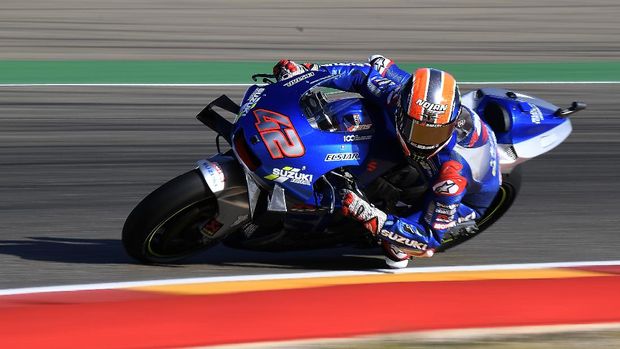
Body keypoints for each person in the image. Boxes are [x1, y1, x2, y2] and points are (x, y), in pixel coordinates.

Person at [272, 57, 501, 268]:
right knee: (377, 70)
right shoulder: (398, 97)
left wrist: (371, 215)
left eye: (431, 134)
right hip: (411, 138)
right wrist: (308, 72)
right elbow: (358, 75)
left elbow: (428, 238)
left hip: (466, 199)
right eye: (416, 129)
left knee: (397, 253)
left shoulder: (452, 175)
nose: (422, 142)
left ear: (449, 126)